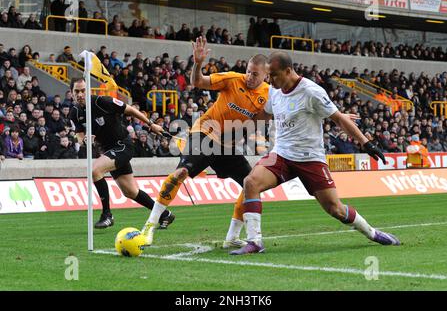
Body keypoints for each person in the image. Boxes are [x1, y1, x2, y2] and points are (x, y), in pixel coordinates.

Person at [230, 51, 400, 255]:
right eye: (268, 75)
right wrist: (239, 132)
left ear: (288, 70)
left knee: (335, 209)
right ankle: (254, 242)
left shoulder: (311, 91)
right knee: (251, 182)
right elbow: (265, 114)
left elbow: (338, 118)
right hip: (282, 154)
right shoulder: (274, 91)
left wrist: (366, 143)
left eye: (274, 75)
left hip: (310, 159)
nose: (270, 80)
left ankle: (372, 233)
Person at [140, 37, 270, 248]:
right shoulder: (232, 79)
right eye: (248, 71)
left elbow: (257, 122)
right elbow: (198, 82)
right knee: (180, 173)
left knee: (251, 184)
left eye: (255, 74)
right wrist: (198, 63)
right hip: (205, 133)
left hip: (226, 146)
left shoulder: (268, 95)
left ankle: (232, 238)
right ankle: (149, 227)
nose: (249, 76)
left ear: (266, 75)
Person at [69, 77, 176, 229]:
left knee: (95, 170)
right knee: (131, 192)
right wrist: (85, 140)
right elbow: (79, 136)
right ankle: (165, 214)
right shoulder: (75, 113)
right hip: (108, 150)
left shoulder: (102, 101)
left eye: (83, 91)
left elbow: (131, 110)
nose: (80, 94)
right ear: (71, 93)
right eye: (76, 91)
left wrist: (151, 125)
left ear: (88, 91)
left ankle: (107, 214)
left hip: (122, 145)